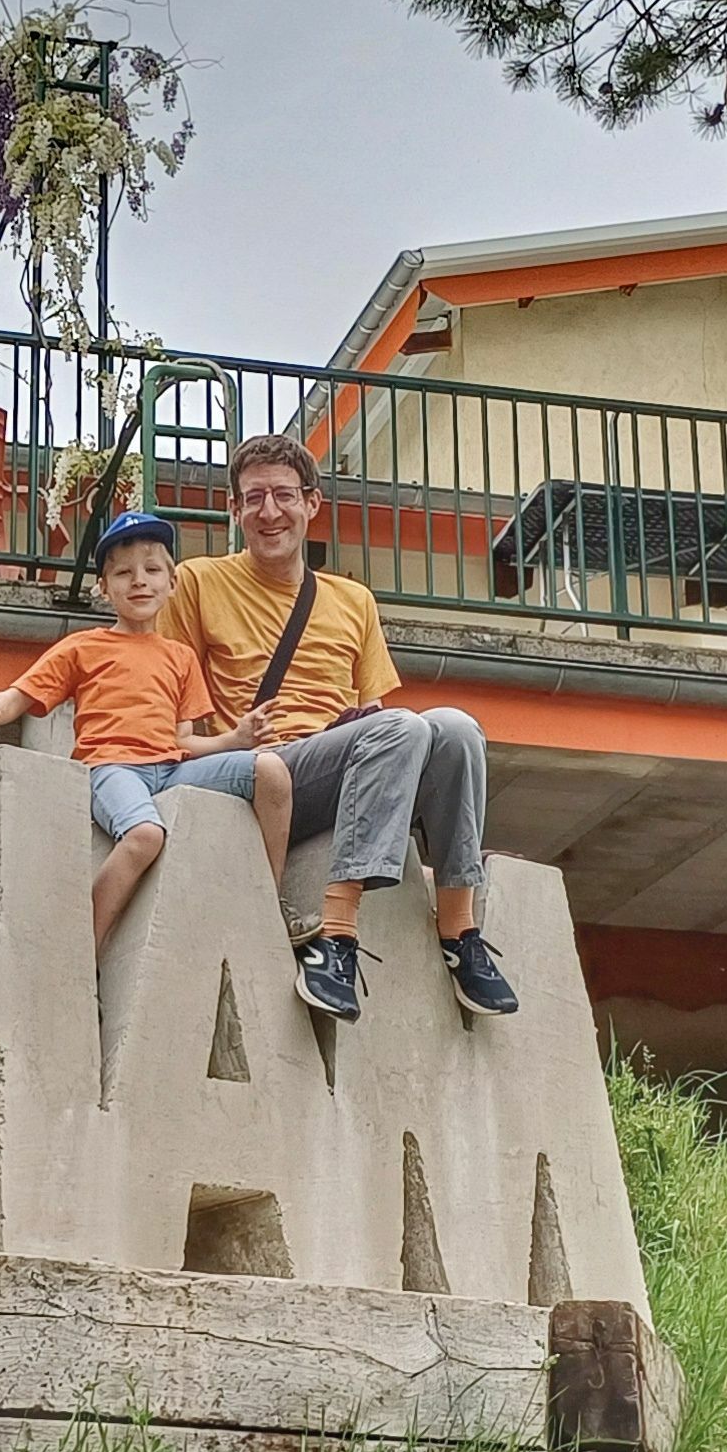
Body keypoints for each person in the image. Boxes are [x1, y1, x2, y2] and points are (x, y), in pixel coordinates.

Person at [156, 431, 518, 1025]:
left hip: (345, 774)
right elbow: (172, 715)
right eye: (253, 499)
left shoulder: (354, 601)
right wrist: (228, 742)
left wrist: (370, 730)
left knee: (455, 728)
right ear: (235, 510)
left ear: (311, 503)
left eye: (282, 496)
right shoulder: (198, 581)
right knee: (402, 727)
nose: (269, 512)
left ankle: (460, 930)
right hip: (261, 774)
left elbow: (373, 713)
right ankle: (337, 936)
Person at [0, 510, 293, 953]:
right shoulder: (84, 646)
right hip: (111, 768)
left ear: (172, 583)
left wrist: (237, 740)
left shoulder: (181, 656)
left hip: (171, 769)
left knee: (271, 770)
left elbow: (184, 740)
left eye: (152, 571)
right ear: (104, 588)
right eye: (123, 573)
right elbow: (20, 694)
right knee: (145, 834)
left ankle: (268, 902)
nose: (139, 582)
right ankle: (84, 949)